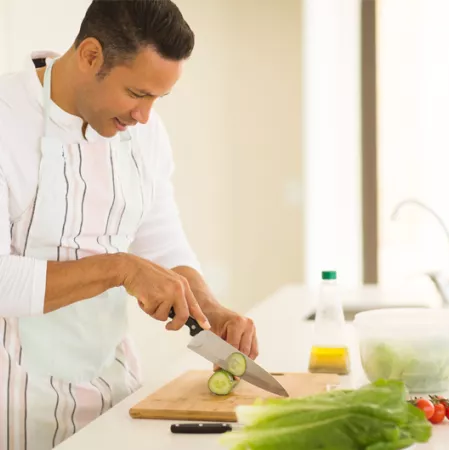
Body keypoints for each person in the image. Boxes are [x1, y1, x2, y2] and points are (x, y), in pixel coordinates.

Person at [0, 0, 258, 448]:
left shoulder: (144, 134)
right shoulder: (7, 121)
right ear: (90, 56)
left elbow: (160, 238)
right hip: (15, 414)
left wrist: (208, 307)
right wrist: (121, 269)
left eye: (158, 99)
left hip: (116, 402)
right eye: (137, 94)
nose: (144, 116)